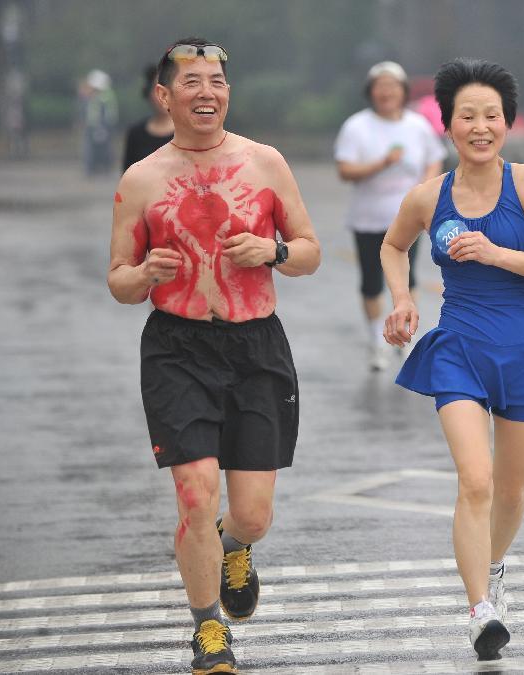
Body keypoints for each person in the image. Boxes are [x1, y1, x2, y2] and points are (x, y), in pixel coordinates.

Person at [107, 37, 321, 674]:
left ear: (228, 94)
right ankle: (208, 630)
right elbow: (117, 280)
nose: (207, 92)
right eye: (192, 82)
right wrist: (144, 271)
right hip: (177, 347)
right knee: (196, 495)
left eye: (217, 82)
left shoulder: (265, 163)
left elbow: (310, 249)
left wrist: (274, 252)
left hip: (256, 346)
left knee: (251, 514)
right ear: (164, 96)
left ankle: (237, 548)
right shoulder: (141, 179)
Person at [382, 58, 524, 660]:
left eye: (492, 115)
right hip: (459, 346)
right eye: (468, 115)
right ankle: (479, 610)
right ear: (449, 124)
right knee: (476, 481)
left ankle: (491, 568)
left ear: (507, 123)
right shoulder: (428, 196)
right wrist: (404, 298)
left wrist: (494, 252)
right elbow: (393, 245)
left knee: (512, 492)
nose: (481, 126)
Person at [335, 61, 446, 371]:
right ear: (371, 92)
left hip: (408, 218)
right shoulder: (357, 126)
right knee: (372, 281)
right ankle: (377, 343)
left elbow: (435, 159)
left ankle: (405, 339)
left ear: (403, 92)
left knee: (407, 278)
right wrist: (382, 163)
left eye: (393, 87)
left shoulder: (417, 126)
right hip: (369, 219)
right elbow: (345, 170)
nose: (386, 92)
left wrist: (424, 191)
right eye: (380, 87)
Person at [122, 64, 174, 171]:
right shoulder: (135, 134)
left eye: (169, 88)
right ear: (148, 93)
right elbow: (127, 175)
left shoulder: (189, 133)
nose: (163, 96)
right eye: (157, 90)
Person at [80, 69, 118, 175]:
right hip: (96, 126)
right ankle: (96, 168)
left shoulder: (104, 96)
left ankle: (100, 168)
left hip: (101, 127)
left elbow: (105, 113)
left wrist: (102, 127)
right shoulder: (99, 95)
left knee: (102, 148)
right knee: (97, 148)